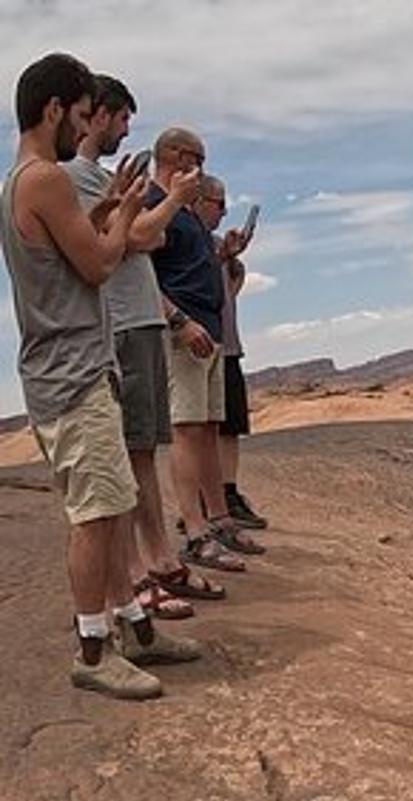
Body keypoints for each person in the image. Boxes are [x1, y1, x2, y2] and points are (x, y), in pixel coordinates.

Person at [3, 53, 200, 698]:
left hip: (68, 369)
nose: (85, 127)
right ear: (56, 109)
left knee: (111, 505)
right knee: (95, 513)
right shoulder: (48, 178)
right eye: (83, 115)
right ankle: (93, 648)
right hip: (72, 372)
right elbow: (99, 265)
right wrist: (128, 211)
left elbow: (69, 250)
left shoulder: (21, 182)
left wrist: (110, 204)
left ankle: (136, 627)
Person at [62, 74, 221, 617]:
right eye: (121, 117)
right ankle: (135, 573)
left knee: (142, 452)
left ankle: (158, 559)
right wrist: (171, 200)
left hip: (140, 325)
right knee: (126, 456)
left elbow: (147, 237)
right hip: (124, 325)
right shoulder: (74, 178)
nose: (126, 129)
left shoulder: (101, 179)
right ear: (97, 114)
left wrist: (146, 216)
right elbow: (134, 238)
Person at [147, 125, 261, 574]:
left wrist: (222, 256)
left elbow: (187, 267)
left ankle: (219, 519)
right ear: (175, 155)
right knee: (188, 428)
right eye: (198, 158)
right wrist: (179, 320)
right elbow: (145, 277)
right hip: (186, 332)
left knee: (209, 427)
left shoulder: (185, 211)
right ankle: (195, 531)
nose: (201, 168)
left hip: (210, 331)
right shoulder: (158, 204)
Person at [210, 176, 263, 530]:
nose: (225, 211)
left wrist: (232, 261)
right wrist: (222, 256)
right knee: (202, 429)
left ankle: (227, 492)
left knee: (230, 427)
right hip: (204, 346)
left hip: (228, 345)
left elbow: (230, 289)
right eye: (218, 203)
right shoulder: (188, 240)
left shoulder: (216, 245)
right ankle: (205, 499)